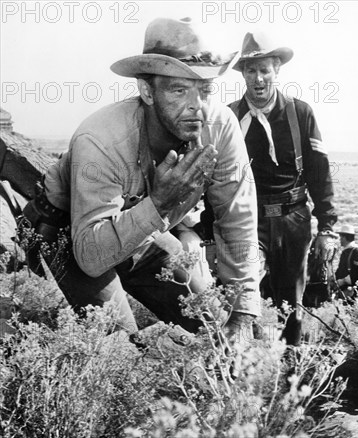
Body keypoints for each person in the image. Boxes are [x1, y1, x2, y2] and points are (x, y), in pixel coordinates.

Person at [20, 17, 260, 339]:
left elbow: (238, 219)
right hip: (74, 234)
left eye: (205, 89)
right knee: (121, 343)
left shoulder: (220, 126)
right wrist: (159, 204)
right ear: (147, 91)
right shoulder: (101, 139)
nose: (196, 106)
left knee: (213, 322)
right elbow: (91, 257)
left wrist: (242, 312)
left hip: (143, 231)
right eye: (178, 89)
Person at [228, 32, 338, 345]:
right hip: (247, 220)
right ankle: (238, 372)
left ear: (277, 70)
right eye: (251, 70)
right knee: (241, 294)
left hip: (294, 219)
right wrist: (210, 227)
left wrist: (328, 228)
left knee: (293, 304)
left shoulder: (299, 113)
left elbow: (320, 173)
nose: (258, 78)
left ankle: (293, 373)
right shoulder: (229, 118)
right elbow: (216, 177)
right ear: (243, 74)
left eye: (265, 70)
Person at [335, 225, 358, 304]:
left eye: (340, 237)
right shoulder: (345, 252)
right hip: (344, 292)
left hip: (353, 293)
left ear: (344, 237)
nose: (340, 240)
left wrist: (343, 281)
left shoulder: (357, 252)